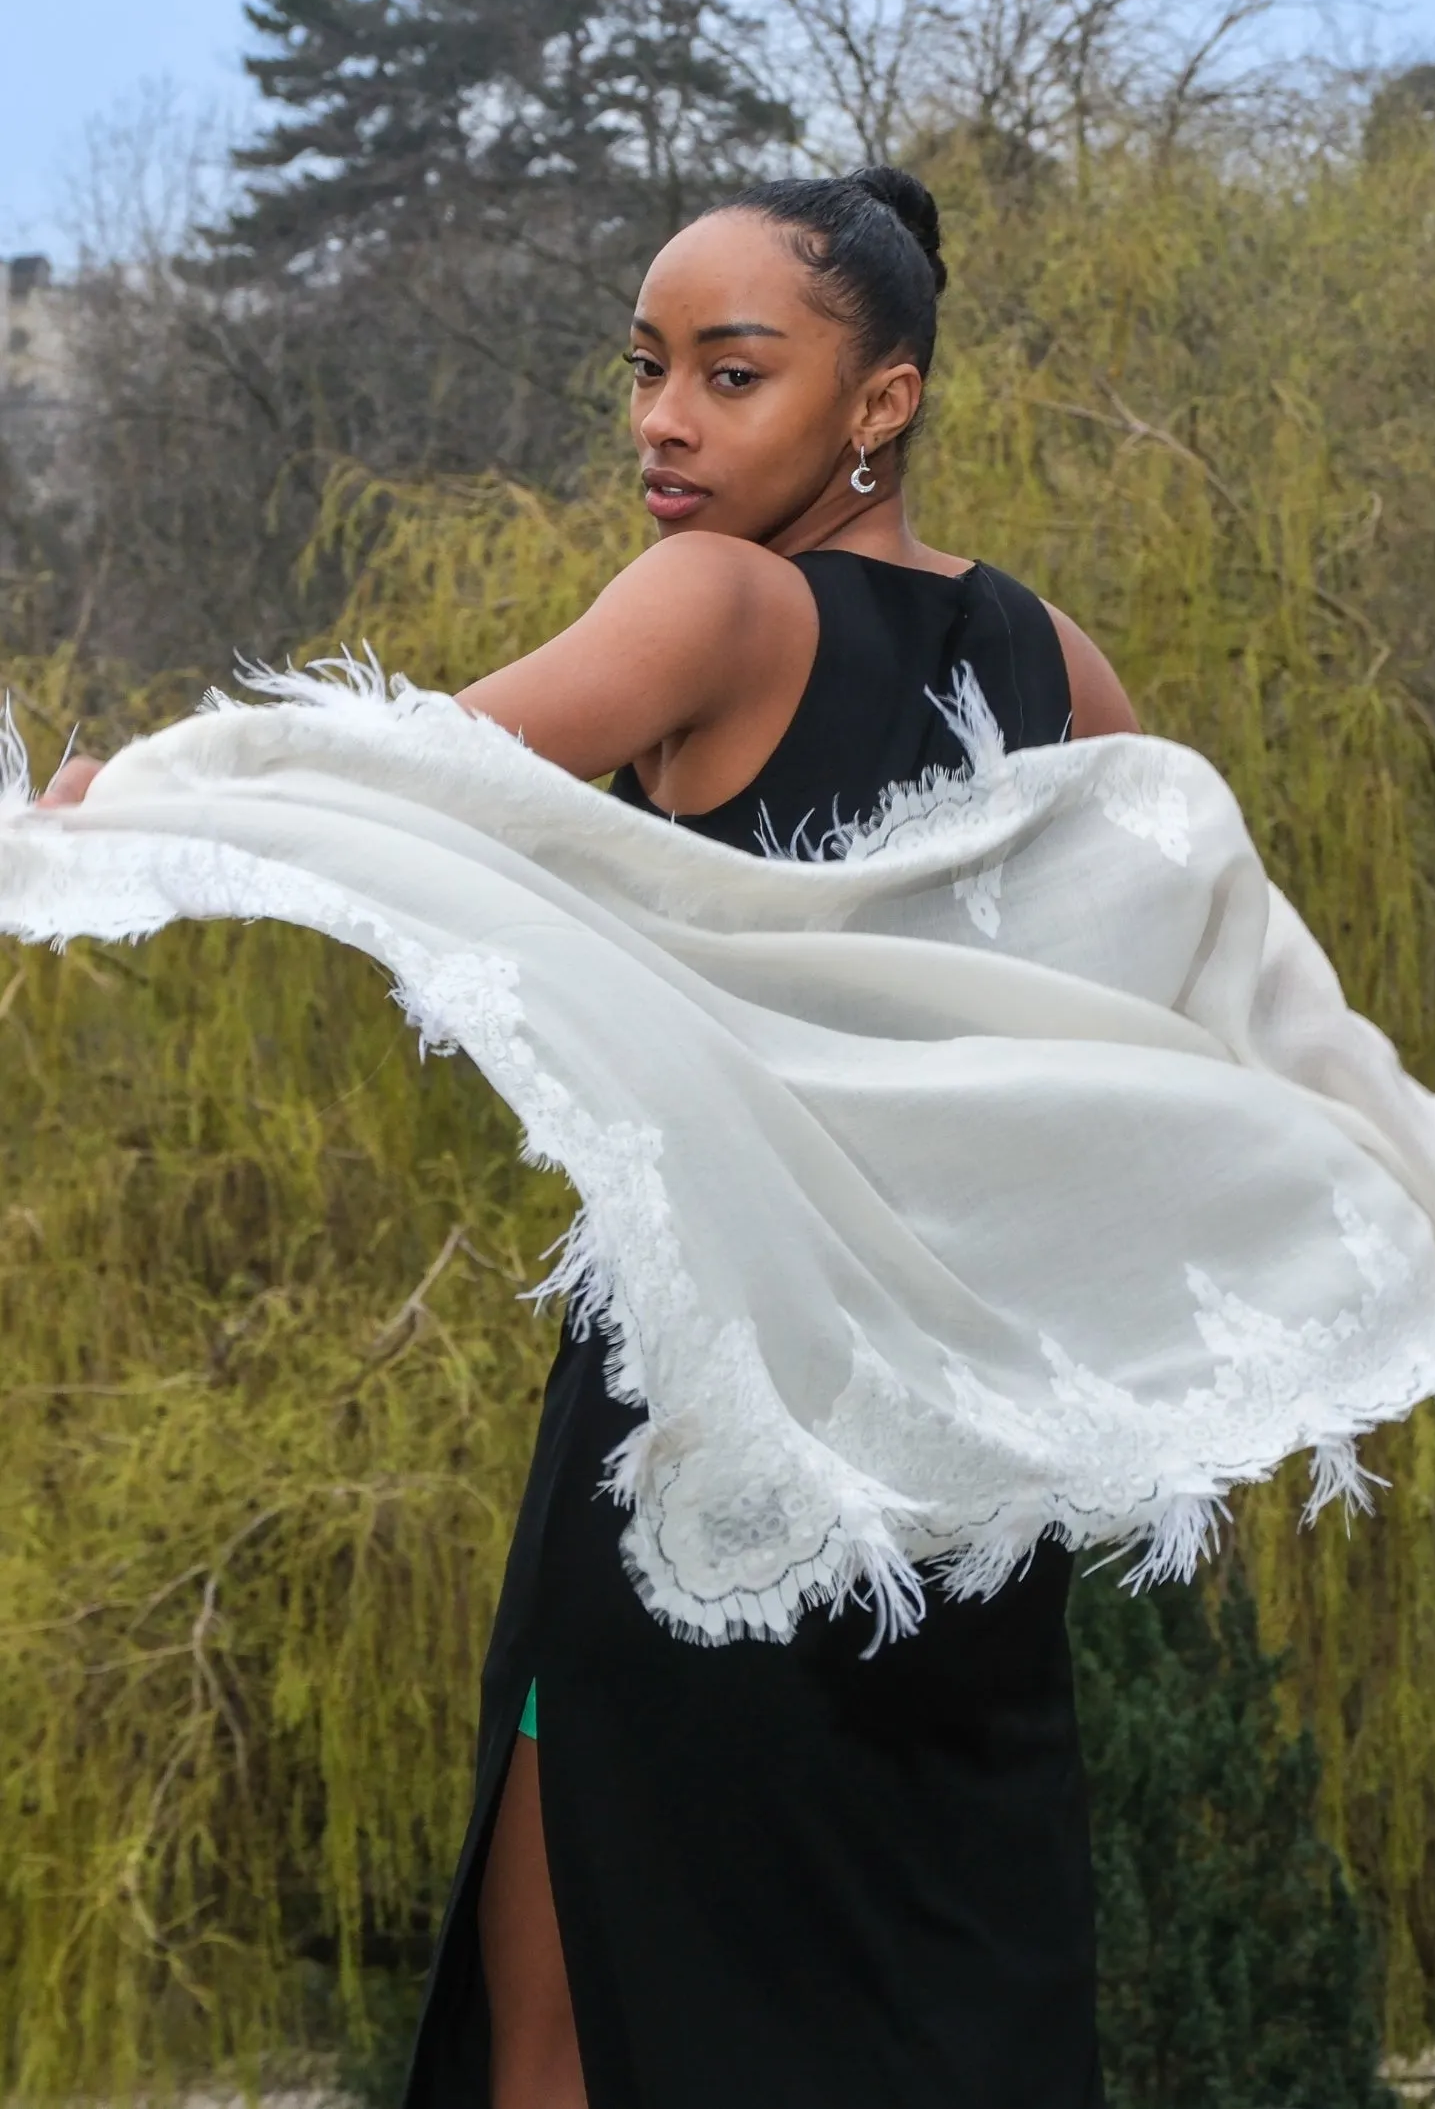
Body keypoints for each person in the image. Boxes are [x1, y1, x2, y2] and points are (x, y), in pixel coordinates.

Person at [42, 167, 1132, 2107]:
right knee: (942, 2002)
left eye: (728, 373)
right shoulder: (1062, 669)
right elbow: (1139, 1058)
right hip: (950, 1493)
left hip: (693, 1442)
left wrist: (141, 803)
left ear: (878, 400)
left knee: (570, 2020)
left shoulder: (716, 600)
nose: (660, 420)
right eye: (643, 370)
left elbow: (430, 770)